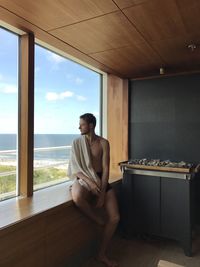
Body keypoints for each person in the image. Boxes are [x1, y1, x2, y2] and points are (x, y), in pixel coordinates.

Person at [68, 113, 120, 267]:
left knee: (115, 217)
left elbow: (105, 169)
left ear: (91, 125)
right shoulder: (77, 143)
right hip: (83, 178)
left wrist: (103, 193)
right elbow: (75, 169)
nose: (79, 127)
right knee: (77, 198)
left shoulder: (103, 143)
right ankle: (96, 219)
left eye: (82, 124)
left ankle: (101, 254)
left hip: (100, 179)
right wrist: (89, 182)